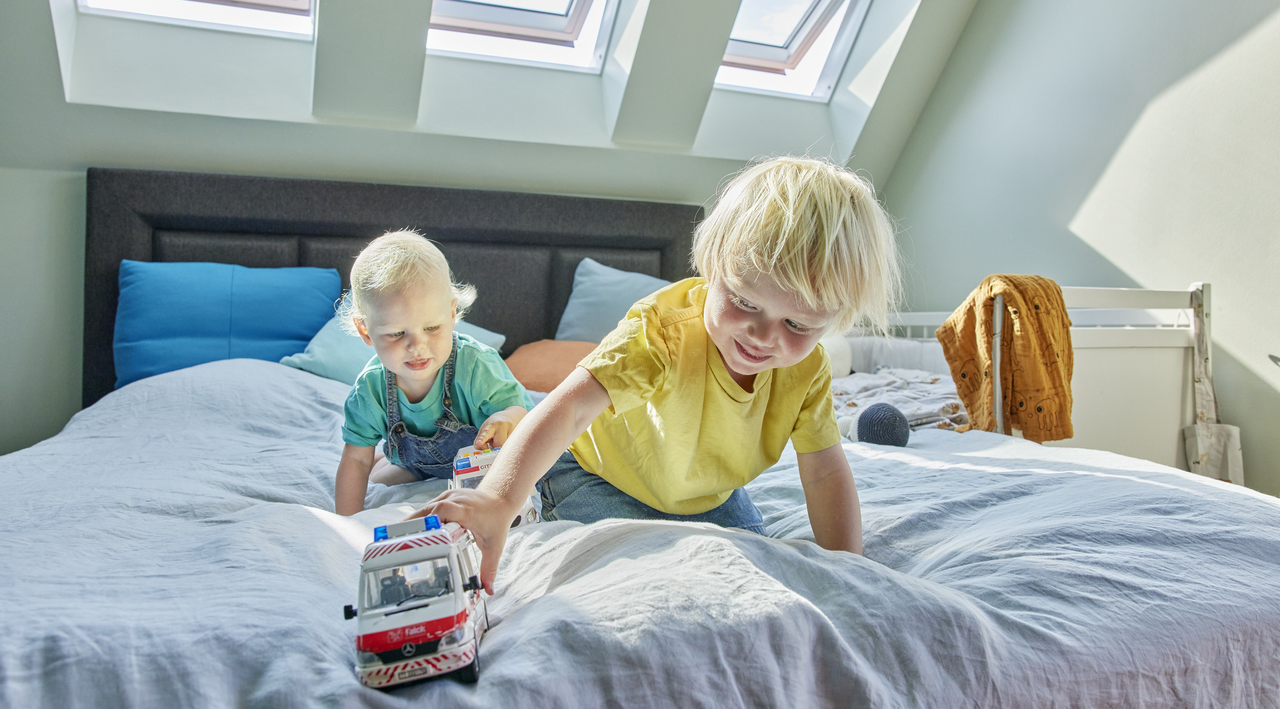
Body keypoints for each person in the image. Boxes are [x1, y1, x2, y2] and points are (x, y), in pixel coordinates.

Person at [411, 156, 900, 592]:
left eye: (798, 324)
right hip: (596, 471)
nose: (762, 336)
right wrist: (497, 498)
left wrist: (848, 569)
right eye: (744, 301)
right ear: (712, 266)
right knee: (643, 572)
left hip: (703, 493)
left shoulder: (807, 370)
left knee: (750, 570)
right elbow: (570, 404)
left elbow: (824, 470)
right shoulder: (662, 333)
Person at [333, 230, 532, 516]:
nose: (417, 346)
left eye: (431, 328)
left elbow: (525, 418)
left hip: (484, 462)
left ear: (452, 314)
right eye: (397, 333)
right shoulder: (370, 390)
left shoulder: (475, 366)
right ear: (366, 330)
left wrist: (505, 417)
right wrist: (346, 521)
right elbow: (355, 461)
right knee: (377, 480)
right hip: (418, 466)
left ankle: (389, 461)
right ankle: (387, 460)